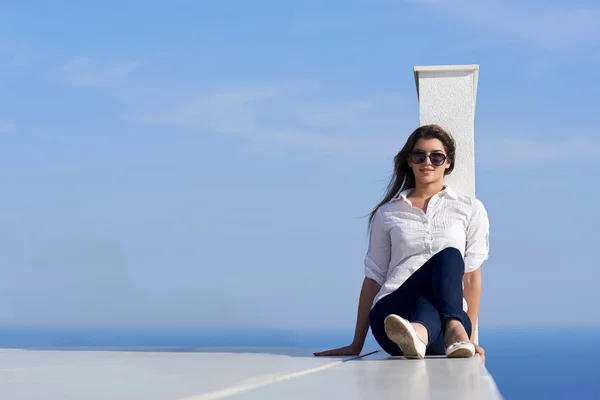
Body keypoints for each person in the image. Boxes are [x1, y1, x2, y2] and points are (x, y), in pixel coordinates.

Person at [314, 124, 489, 362]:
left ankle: (428, 333)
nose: (427, 162)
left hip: (445, 327)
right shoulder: (387, 213)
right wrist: (357, 344)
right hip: (393, 319)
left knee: (450, 257)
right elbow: (374, 277)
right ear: (409, 160)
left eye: (436, 156)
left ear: (448, 163)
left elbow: (471, 277)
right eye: (419, 155)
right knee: (443, 265)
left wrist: (472, 338)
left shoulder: (470, 208)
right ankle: (422, 333)